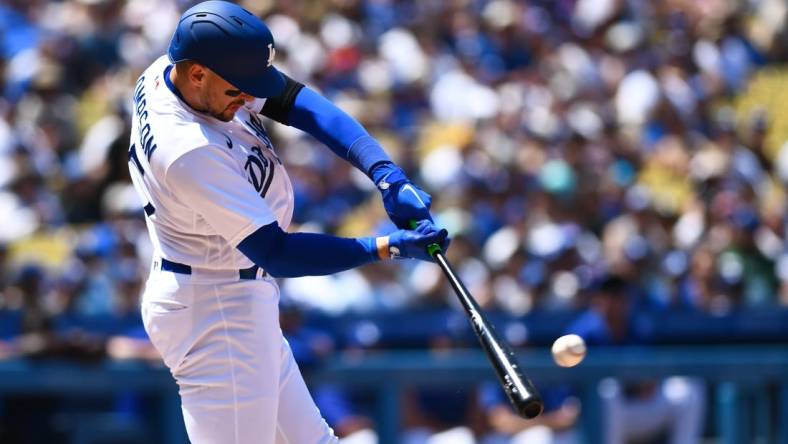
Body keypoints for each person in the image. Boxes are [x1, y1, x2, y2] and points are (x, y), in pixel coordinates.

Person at [126, 1, 449, 443]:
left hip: (229, 293)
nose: (247, 100)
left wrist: (386, 174)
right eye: (237, 91)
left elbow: (296, 101)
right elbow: (276, 252)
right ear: (197, 73)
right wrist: (385, 247)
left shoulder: (178, 68)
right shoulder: (186, 148)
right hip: (215, 307)